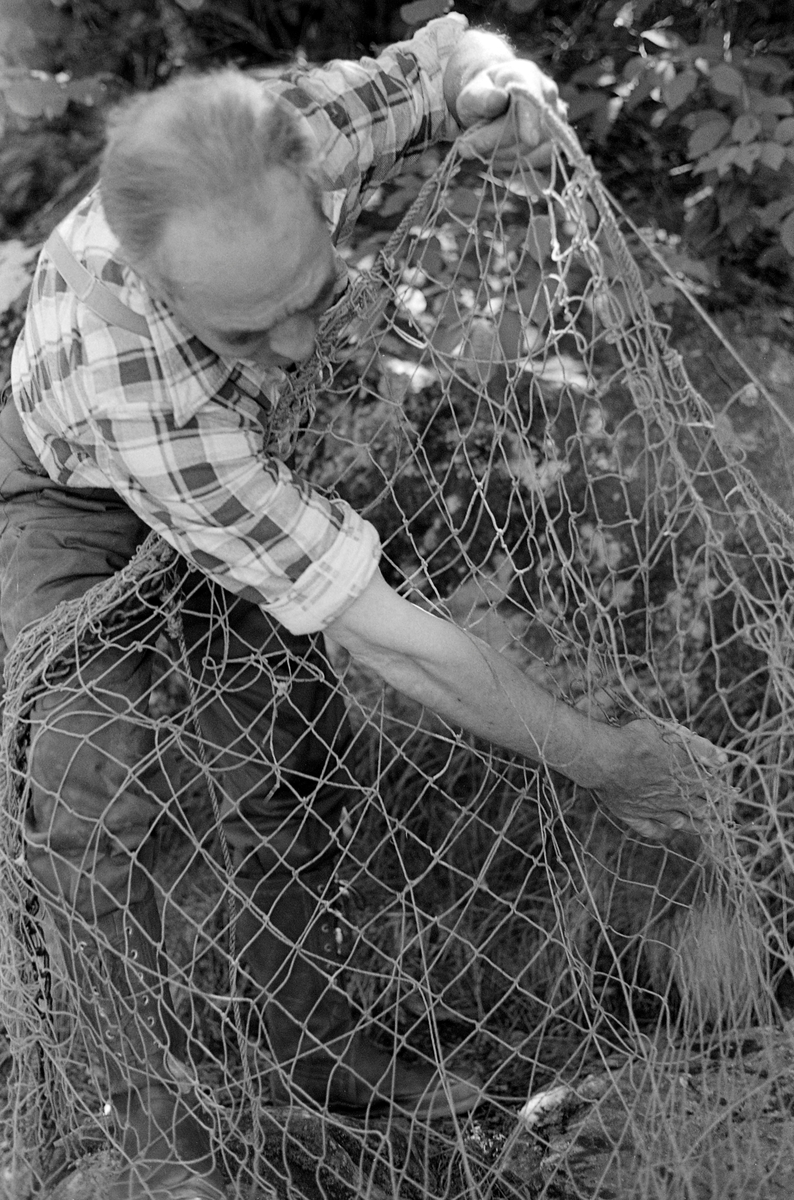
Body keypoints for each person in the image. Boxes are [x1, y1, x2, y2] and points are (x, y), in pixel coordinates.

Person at [1, 13, 726, 1200]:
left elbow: (442, 65)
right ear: (162, 283)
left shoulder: (292, 134)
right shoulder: (128, 376)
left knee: (279, 752)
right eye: (249, 326)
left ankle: (327, 1055)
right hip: (78, 502)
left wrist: (494, 84)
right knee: (100, 778)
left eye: (314, 295)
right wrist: (605, 761)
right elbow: (387, 633)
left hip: (241, 462)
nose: (299, 342)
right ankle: (130, 1125)